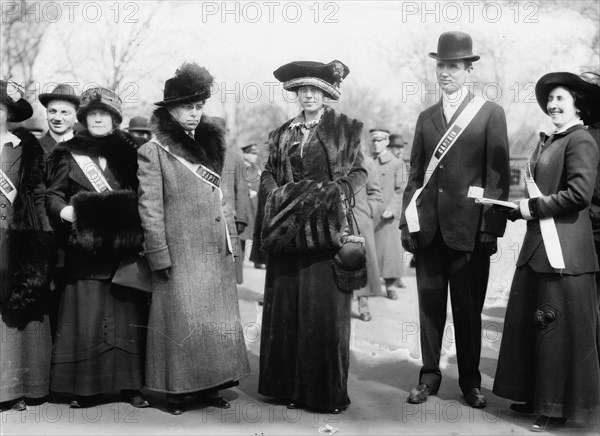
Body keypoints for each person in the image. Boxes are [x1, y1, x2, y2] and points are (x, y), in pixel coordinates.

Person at [400, 31, 510, 408]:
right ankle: (428, 376)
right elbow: (415, 176)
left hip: (469, 232)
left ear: (468, 71)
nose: (445, 72)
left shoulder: (490, 113)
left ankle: (470, 382)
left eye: (453, 66)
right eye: (441, 65)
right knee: (429, 309)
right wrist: (406, 224)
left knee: (467, 312)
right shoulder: (426, 117)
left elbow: (498, 178)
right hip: (428, 230)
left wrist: (490, 229)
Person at [252, 60, 367, 413]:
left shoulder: (345, 129)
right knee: (287, 308)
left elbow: (359, 172)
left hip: (327, 232)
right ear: (296, 94)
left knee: (323, 313)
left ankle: (322, 392)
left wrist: (333, 196)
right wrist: (276, 197)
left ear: (326, 93)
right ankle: (286, 386)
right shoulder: (281, 133)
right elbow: (269, 173)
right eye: (302, 90)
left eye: (314, 90)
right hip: (288, 233)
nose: (308, 95)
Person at [137, 62, 250, 415]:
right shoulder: (154, 151)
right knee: (181, 324)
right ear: (170, 109)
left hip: (214, 249)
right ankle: (178, 391)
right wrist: (159, 253)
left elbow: (223, 200)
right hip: (181, 251)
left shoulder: (211, 146)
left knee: (212, 323)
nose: (194, 114)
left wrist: (232, 243)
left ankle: (212, 385)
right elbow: (150, 208)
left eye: (199, 107)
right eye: (187, 107)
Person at [493, 72, 600, 432]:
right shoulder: (549, 140)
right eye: (550, 99)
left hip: (565, 251)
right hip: (538, 245)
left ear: (577, 105)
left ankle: (555, 407)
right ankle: (533, 394)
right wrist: (518, 207)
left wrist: (531, 209)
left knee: (553, 326)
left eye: (560, 100)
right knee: (530, 322)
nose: (552, 105)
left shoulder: (581, 140)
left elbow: (579, 195)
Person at [46, 86, 150, 409]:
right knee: (87, 319)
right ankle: (85, 387)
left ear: (115, 118)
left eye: (104, 114)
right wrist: (66, 211)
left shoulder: (133, 152)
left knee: (126, 318)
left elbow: (146, 196)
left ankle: (130, 387)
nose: (98, 119)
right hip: (85, 253)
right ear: (84, 119)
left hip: (122, 253)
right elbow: (52, 195)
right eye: (92, 115)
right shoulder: (67, 152)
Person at [0, 80, 55, 412]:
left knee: (17, 310)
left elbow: (36, 195)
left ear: (9, 114)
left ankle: (18, 385)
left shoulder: (26, 147)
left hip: (16, 236)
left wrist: (42, 239)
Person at [371, 128, 406, 298]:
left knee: (390, 252)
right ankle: (371, 285)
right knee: (372, 252)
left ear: (386, 142)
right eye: (374, 140)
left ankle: (390, 286)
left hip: (388, 216)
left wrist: (392, 209)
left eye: (379, 140)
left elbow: (401, 190)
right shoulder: (368, 162)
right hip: (371, 214)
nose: (376, 144)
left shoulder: (397, 163)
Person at [352, 154, 384, 321]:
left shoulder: (366, 162)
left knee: (362, 263)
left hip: (360, 220)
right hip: (335, 219)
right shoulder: (330, 157)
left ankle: (363, 305)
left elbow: (376, 193)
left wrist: (369, 211)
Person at [239, 143, 266, 270]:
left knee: (256, 230)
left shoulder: (258, 169)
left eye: (255, 154)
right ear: (245, 154)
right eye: (252, 153)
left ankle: (257, 259)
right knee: (243, 230)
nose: (254, 156)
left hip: (256, 205)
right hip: (244, 204)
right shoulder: (240, 167)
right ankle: (239, 260)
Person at [38, 83, 79, 154]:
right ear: (46, 113)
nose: (57, 118)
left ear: (76, 116)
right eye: (52, 111)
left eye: (64, 112)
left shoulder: (88, 149)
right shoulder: (34, 149)